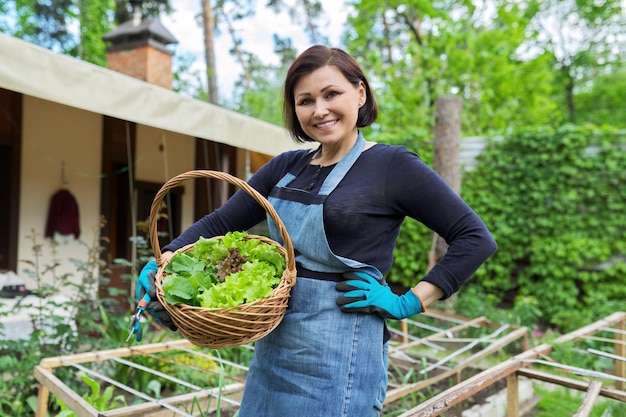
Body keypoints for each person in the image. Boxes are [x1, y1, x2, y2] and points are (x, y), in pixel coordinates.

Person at [136, 45, 497, 416]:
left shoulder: (391, 166)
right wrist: (165, 261)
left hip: (342, 359)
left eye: (331, 94)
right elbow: (221, 223)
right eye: (305, 100)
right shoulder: (286, 167)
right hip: (276, 349)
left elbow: (475, 238)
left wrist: (408, 301)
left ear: (360, 93)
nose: (319, 110)